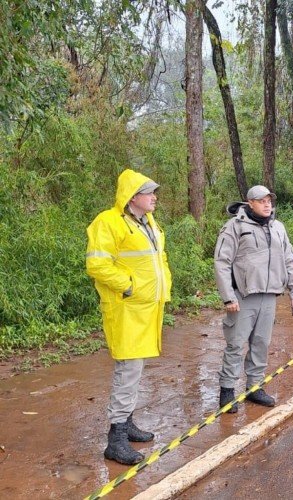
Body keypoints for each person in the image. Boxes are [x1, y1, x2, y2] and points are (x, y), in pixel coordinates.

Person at [86, 169, 172, 465]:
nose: (155, 197)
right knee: (128, 369)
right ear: (133, 196)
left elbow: (159, 261)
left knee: (135, 369)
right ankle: (116, 439)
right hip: (126, 308)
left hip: (147, 307)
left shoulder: (148, 222)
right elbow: (98, 265)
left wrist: (163, 292)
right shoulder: (107, 222)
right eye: (150, 193)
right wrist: (129, 287)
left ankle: (127, 422)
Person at [214, 185, 293, 413]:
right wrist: (228, 297)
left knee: (261, 343)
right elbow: (222, 262)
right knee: (235, 343)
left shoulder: (278, 228)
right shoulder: (235, 227)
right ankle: (227, 391)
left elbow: (289, 260)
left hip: (269, 295)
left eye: (269, 201)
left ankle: (254, 387)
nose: (267, 205)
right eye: (261, 201)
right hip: (243, 297)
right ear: (249, 203)